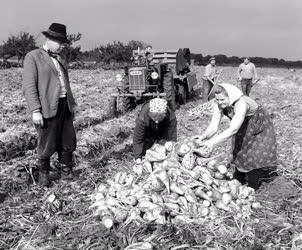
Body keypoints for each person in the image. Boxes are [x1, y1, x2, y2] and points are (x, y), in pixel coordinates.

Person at [22, 23, 77, 187]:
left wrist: (72, 104)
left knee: (68, 140)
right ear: (49, 38)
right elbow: (29, 85)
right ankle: (44, 176)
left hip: (64, 104)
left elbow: (65, 83)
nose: (61, 46)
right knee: (47, 142)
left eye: (63, 43)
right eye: (59, 42)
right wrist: (35, 110)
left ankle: (66, 171)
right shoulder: (33, 57)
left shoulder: (61, 58)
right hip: (47, 106)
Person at [194, 83, 277, 190]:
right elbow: (214, 126)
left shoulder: (241, 103)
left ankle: (254, 184)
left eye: (222, 99)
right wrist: (204, 136)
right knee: (240, 148)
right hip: (242, 125)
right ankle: (240, 178)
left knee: (255, 152)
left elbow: (233, 129)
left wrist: (212, 142)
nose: (220, 102)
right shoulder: (218, 104)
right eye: (217, 99)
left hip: (258, 124)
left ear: (231, 96)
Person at [133, 98, 177, 163]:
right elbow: (138, 139)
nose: (156, 121)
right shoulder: (142, 118)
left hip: (163, 128)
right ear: (150, 114)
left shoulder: (171, 117)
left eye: (160, 118)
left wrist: (170, 143)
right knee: (145, 150)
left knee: (166, 149)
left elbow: (172, 134)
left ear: (164, 115)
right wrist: (138, 158)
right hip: (148, 132)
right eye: (154, 118)